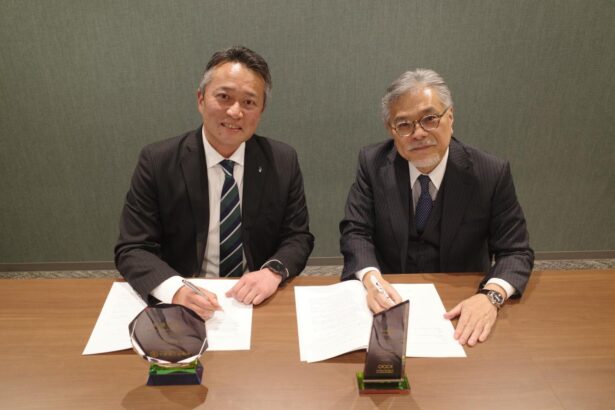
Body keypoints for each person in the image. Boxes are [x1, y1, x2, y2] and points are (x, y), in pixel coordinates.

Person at [115, 46, 314, 320]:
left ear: (261, 110)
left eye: (249, 102)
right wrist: (175, 289)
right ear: (200, 99)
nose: (235, 112)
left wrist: (273, 272)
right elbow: (132, 248)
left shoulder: (282, 161)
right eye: (224, 97)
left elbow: (297, 237)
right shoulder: (158, 161)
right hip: (184, 292)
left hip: (255, 298)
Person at [339, 68, 533, 346]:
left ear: (450, 117)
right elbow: (356, 231)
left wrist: (490, 296)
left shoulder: (490, 172)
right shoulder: (373, 163)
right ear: (392, 130)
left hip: (460, 300)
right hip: (389, 296)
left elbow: (516, 251)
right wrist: (372, 280)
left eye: (429, 119)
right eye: (404, 124)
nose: (418, 133)